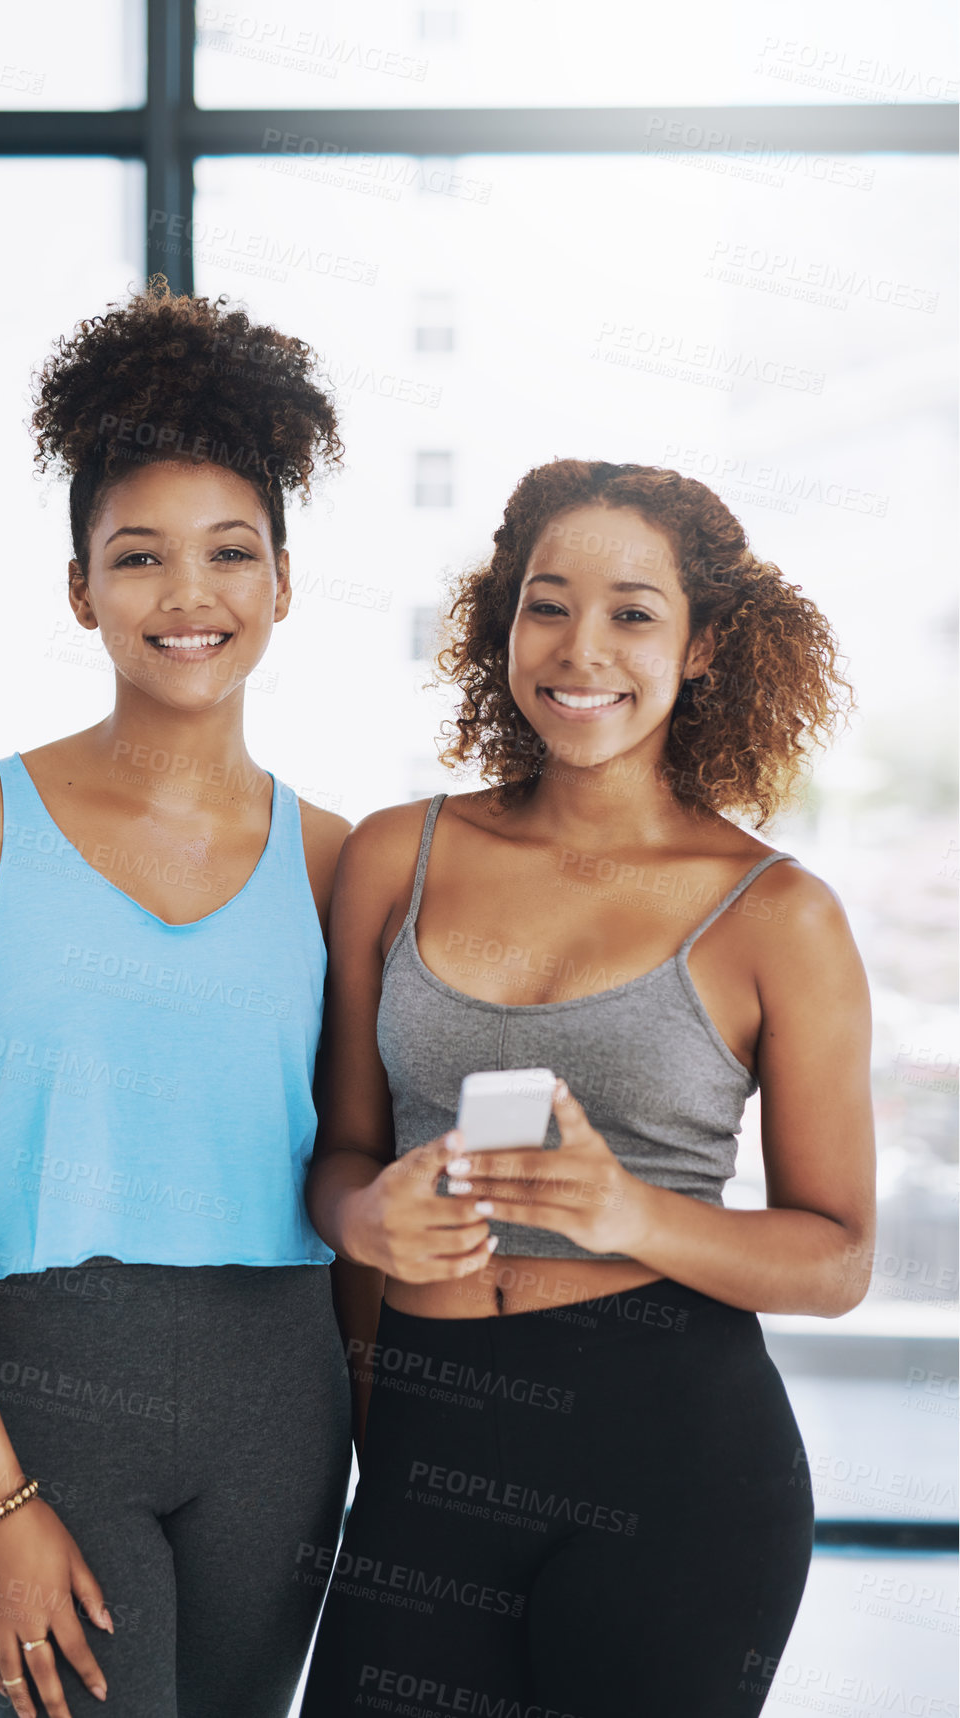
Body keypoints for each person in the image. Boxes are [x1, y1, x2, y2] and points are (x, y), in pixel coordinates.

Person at [299, 459, 876, 1717]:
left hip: (673, 1456)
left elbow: (838, 1257)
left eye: (634, 612)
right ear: (503, 621)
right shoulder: (398, 854)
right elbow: (340, 1149)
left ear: (706, 644)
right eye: (547, 604)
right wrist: (361, 1219)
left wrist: (631, 1214)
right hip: (426, 1437)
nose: (582, 649)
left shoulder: (778, 913)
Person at [0, 278, 353, 1718]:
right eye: (139, 556)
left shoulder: (338, 860)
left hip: (283, 1400)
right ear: (81, 585)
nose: (187, 596)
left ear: (281, 580)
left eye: (229, 553)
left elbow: (351, 1168)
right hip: (44, 1396)